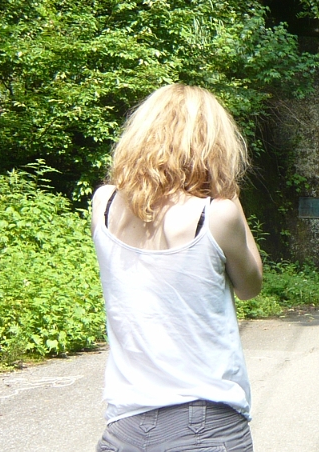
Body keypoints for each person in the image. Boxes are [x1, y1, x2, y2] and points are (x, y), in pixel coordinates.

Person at [91, 84, 263, 452]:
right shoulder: (216, 215)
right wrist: (227, 190)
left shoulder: (103, 205)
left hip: (124, 428)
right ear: (214, 146)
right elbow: (251, 286)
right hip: (207, 426)